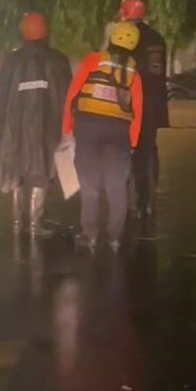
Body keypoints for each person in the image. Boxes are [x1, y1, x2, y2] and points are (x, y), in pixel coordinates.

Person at [0, 11, 72, 237]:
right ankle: (36, 225)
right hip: (46, 133)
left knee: (17, 175)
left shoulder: (12, 61)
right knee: (41, 174)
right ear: (46, 32)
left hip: (14, 135)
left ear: (23, 33)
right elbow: (69, 100)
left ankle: (17, 224)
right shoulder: (57, 60)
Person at [63, 20, 143, 251]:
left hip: (88, 129)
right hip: (119, 134)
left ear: (111, 39)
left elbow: (72, 94)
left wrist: (67, 127)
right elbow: (138, 111)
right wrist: (133, 143)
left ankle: (90, 235)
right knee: (117, 187)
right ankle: (114, 238)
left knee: (89, 185)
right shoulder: (134, 75)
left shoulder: (93, 60)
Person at [118, 0, 168, 217]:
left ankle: (133, 204)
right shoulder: (157, 38)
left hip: (128, 104)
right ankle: (149, 203)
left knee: (128, 150)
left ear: (124, 14)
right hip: (153, 105)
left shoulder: (122, 38)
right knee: (148, 150)